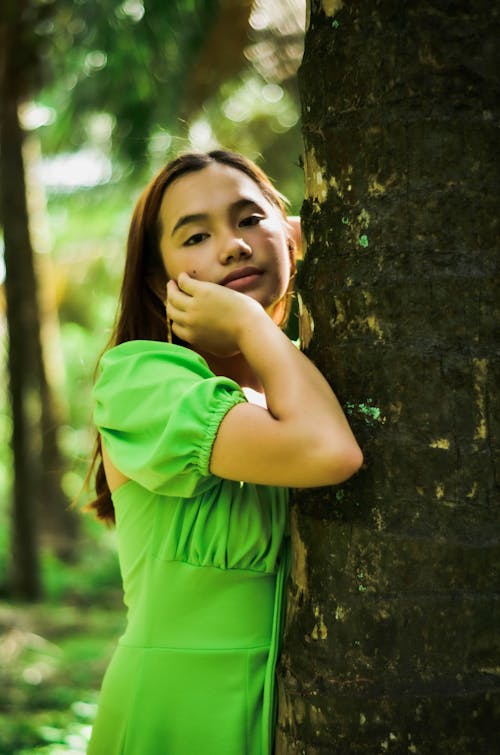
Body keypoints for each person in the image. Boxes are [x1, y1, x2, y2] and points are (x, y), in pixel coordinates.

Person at [85, 149, 362, 755]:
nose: (233, 246)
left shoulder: (302, 378)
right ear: (160, 281)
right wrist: (250, 324)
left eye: (250, 220)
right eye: (195, 236)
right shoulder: (139, 379)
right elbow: (329, 453)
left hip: (298, 711)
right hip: (177, 714)